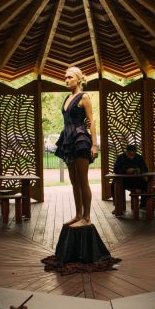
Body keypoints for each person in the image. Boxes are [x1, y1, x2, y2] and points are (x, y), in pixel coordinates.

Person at [54, 66, 100, 227]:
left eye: (69, 77)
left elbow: (91, 121)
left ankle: (86, 217)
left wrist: (95, 145)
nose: (66, 80)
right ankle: (78, 214)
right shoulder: (67, 98)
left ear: (79, 79)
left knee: (83, 181)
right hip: (67, 140)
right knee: (74, 182)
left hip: (80, 140)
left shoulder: (84, 96)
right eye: (65, 77)